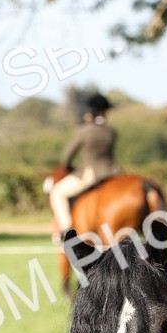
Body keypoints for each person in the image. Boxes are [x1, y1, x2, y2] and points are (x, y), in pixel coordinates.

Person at [50, 92, 120, 240]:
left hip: (92, 173)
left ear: (90, 113)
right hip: (114, 172)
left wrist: (68, 167)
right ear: (104, 112)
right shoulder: (112, 132)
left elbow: (66, 158)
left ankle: (67, 231)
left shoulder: (84, 131)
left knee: (57, 193)